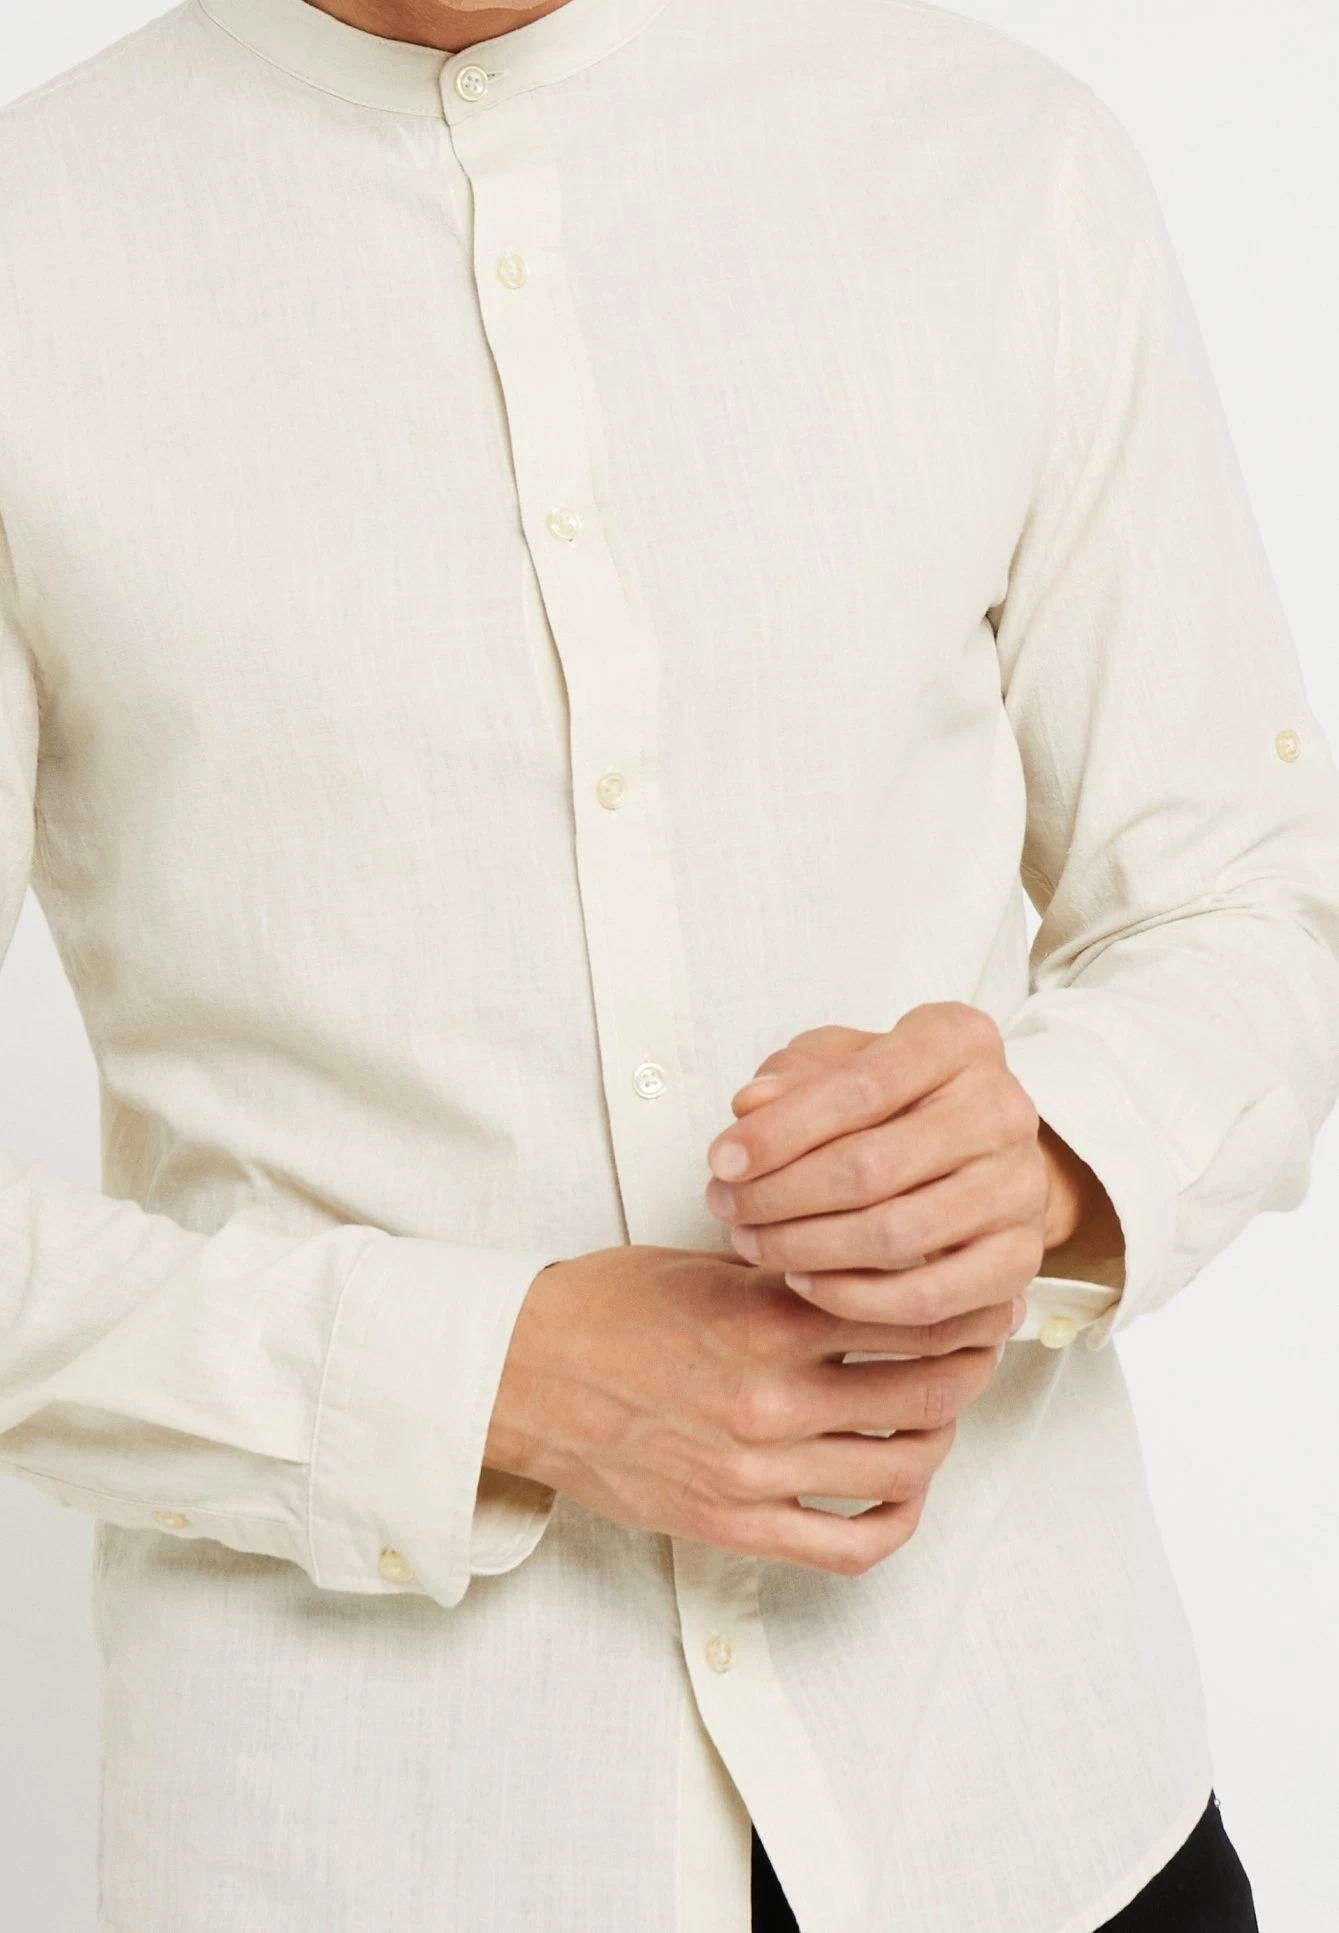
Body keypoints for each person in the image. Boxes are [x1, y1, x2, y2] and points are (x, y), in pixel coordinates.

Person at [0, 0, 1330, 1927]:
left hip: (1030, 1808)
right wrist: (486, 1383)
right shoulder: (35, 249)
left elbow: (1249, 887)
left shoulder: (994, 153)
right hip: (369, 1857)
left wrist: (1046, 1156)